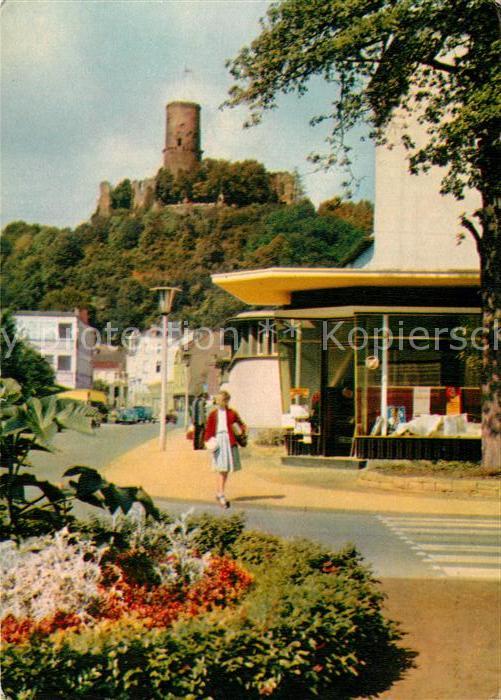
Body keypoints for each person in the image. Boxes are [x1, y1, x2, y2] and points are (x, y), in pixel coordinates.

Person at [204, 390, 246, 509]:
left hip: (229, 440)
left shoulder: (232, 413)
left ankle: (219, 492)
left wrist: (240, 431)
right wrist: (208, 441)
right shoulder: (213, 414)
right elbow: (209, 429)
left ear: (226, 401)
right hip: (218, 441)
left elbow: (241, 425)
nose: (218, 402)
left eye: (220, 399)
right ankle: (221, 493)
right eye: (217, 399)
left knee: (225, 468)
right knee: (222, 469)